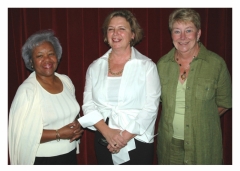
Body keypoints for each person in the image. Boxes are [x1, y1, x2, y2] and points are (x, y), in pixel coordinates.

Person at [77, 9, 161, 165]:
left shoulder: (147, 66)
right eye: (111, 29)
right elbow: (88, 105)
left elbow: (151, 108)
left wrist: (122, 138)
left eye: (122, 28)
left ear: (133, 34)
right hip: (104, 139)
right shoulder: (94, 67)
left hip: (137, 139)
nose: (115, 33)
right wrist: (108, 132)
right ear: (106, 35)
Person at [156, 8, 232, 165]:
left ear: (198, 34)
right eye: (177, 31)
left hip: (203, 145)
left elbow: (225, 102)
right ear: (171, 35)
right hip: (170, 146)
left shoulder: (216, 64)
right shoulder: (162, 65)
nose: (183, 37)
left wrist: (200, 118)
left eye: (188, 30)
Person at [8, 30, 84, 165]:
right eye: (39, 56)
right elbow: (22, 134)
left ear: (57, 56)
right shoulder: (27, 91)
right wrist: (59, 133)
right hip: (43, 159)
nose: (47, 59)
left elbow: (70, 112)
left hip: (69, 154)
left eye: (50, 54)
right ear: (31, 61)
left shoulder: (66, 81)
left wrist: (77, 125)